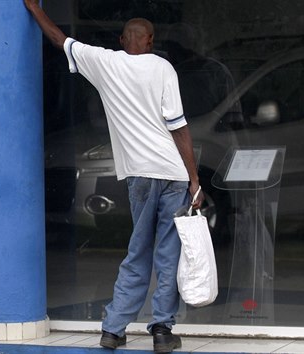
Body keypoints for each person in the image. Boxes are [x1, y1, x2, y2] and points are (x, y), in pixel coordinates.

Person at [22, 1, 204, 353]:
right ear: (150, 41)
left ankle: (113, 329)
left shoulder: (105, 62)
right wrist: (194, 179)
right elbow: (179, 127)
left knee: (138, 251)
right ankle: (162, 331)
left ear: (123, 40)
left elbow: (61, 41)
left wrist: (34, 8)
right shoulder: (164, 68)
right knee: (168, 253)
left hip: (140, 175)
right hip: (173, 172)